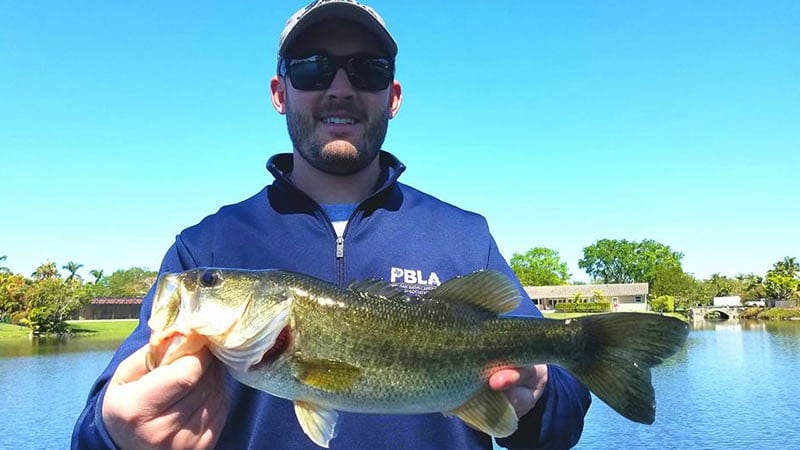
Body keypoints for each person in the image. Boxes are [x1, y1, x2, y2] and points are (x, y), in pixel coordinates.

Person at [72, 1, 591, 449]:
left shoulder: (465, 237)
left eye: (366, 70)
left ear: (393, 95)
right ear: (280, 92)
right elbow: (95, 427)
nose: (340, 88)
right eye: (313, 68)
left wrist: (539, 395)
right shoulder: (202, 247)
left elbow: (564, 417)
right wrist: (117, 434)